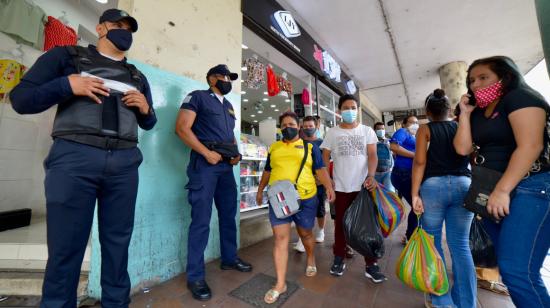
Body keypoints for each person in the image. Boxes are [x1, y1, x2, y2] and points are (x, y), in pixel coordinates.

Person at [9, 9, 156, 307]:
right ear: (101, 29)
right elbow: (21, 99)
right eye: (117, 25)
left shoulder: (137, 76)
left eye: (129, 28)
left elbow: (149, 123)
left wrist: (146, 110)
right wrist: (68, 85)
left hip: (125, 163)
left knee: (118, 244)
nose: (124, 32)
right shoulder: (66, 57)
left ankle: (116, 302)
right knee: (66, 248)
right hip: (74, 158)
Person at [454, 56, 550, 308]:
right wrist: (464, 114)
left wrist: (503, 190)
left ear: (505, 76)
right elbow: (463, 148)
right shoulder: (478, 112)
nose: (475, 84)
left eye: (483, 77)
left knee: (518, 271)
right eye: (471, 80)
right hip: (490, 190)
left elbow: (531, 145)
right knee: (511, 269)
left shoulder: (520, 97)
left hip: (530, 187)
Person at [175, 64, 252, 301]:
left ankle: (229, 258)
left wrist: (236, 153)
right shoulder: (197, 97)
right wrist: (206, 153)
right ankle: (195, 276)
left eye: (230, 77)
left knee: (229, 215)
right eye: (224, 77)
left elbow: (229, 135)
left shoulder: (228, 106)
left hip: (226, 167)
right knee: (201, 220)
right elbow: (181, 128)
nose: (228, 80)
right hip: (205, 164)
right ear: (211, 79)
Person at [256, 112, 335, 304]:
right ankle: (280, 284)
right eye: (283, 125)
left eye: (291, 124)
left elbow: (320, 170)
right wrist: (260, 190)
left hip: (305, 199)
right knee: (280, 239)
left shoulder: (310, 147)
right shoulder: (274, 148)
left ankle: (310, 258)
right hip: (279, 200)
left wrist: (329, 187)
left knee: (306, 234)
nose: (287, 127)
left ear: (298, 126)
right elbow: (268, 171)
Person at [411, 89, 475, 308]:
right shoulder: (462, 126)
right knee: (461, 246)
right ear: (449, 110)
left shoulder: (424, 130)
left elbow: (419, 162)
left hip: (433, 187)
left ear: (428, 112)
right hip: (463, 185)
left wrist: (414, 193)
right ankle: (467, 303)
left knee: (433, 244)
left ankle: (442, 301)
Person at [320, 94, 385, 283]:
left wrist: (371, 176)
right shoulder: (332, 133)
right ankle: (339, 258)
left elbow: (372, 155)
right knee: (340, 225)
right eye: (346, 108)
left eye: (353, 107)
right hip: (340, 187)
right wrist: (328, 181)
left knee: (368, 226)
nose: (350, 111)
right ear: (340, 111)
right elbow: (324, 158)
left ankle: (371, 264)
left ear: (357, 110)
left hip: (363, 187)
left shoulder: (367, 131)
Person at [293, 116, 327, 254]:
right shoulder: (298, 142)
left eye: (310, 126)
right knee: (304, 211)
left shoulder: (322, 143)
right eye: (305, 126)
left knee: (319, 210)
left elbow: (326, 163)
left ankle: (321, 231)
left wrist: (323, 180)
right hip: (302, 184)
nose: (307, 128)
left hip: (319, 183)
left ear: (316, 126)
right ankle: (303, 239)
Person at [390, 115, 418, 244]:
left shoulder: (414, 136)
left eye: (416, 122)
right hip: (402, 174)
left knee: (416, 206)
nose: (415, 125)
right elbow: (394, 147)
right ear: (404, 124)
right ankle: (409, 236)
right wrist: (415, 155)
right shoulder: (403, 132)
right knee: (416, 206)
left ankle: (410, 235)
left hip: (410, 174)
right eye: (412, 122)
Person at [374, 122, 395, 192]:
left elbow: (395, 154)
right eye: (378, 129)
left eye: (382, 129)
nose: (381, 130)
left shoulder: (390, 142)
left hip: (388, 172)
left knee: (390, 192)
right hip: (375, 173)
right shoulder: (371, 142)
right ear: (375, 130)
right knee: (376, 195)